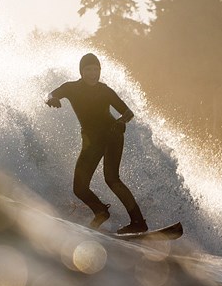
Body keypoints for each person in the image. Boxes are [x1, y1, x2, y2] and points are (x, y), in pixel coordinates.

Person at [46, 53, 148, 234]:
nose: (93, 73)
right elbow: (49, 94)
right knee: (79, 188)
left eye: (96, 69)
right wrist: (51, 99)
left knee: (112, 179)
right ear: (81, 71)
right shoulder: (71, 88)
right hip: (91, 141)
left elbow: (128, 112)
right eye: (89, 70)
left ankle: (138, 222)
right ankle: (100, 211)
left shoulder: (105, 90)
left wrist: (121, 121)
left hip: (112, 135)